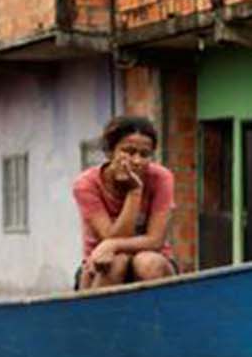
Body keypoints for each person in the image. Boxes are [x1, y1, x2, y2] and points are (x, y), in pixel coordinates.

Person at [74, 115, 178, 289]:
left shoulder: (161, 178)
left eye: (144, 154)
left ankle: (158, 307)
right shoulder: (87, 184)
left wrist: (112, 245)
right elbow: (109, 236)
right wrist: (134, 192)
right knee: (116, 263)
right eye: (128, 152)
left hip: (154, 260)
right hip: (100, 264)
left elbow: (155, 240)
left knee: (147, 263)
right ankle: (98, 307)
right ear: (110, 152)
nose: (137, 161)